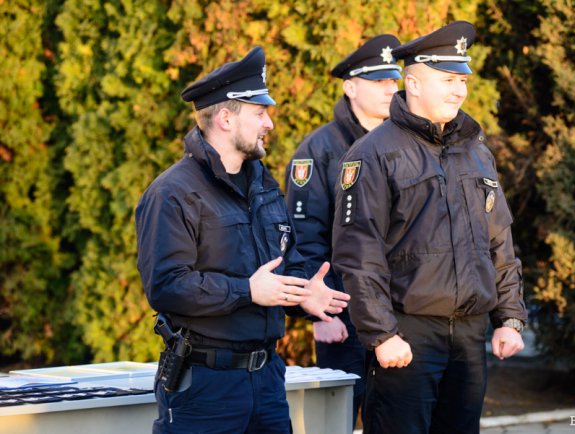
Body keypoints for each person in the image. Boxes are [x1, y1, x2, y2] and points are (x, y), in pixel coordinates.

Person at [135, 46, 350, 434]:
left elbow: (285, 263)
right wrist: (247, 291)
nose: (270, 123)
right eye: (259, 113)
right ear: (225, 118)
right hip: (205, 387)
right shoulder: (173, 193)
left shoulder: (263, 185)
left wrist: (304, 295)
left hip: (267, 380)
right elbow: (166, 286)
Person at [331, 21, 527, 434]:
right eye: (448, 80)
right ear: (414, 83)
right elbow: (359, 254)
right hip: (407, 336)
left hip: (469, 337)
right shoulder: (373, 153)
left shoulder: (476, 151)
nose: (459, 91)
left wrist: (509, 317)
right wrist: (381, 334)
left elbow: (499, 239)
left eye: (463, 81)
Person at [284, 34, 401, 428]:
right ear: (350, 88)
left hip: (399, 313)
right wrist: (321, 314)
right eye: (378, 81)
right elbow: (304, 238)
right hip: (343, 314)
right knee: (338, 420)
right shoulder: (318, 150)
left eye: (393, 80)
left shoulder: (404, 143)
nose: (390, 89)